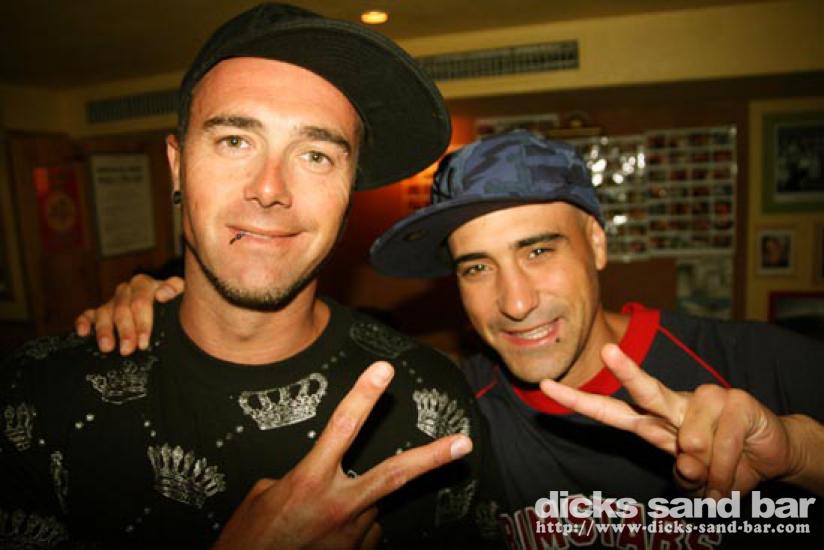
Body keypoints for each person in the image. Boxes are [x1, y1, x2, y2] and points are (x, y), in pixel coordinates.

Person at [91, 130, 824, 549]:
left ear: (596, 244)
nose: (515, 301)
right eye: (477, 266)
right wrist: (180, 307)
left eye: (539, 250)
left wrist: (797, 453)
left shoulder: (756, 363)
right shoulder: (446, 413)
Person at [1, 4, 502, 548]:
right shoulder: (38, 394)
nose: (269, 189)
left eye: (315, 155)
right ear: (177, 165)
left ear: (348, 192)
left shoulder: (430, 400)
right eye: (235, 141)